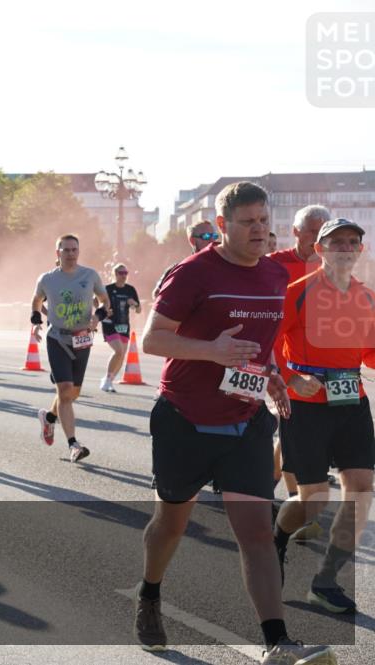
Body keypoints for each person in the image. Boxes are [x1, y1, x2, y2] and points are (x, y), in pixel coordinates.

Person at [134, 181, 333, 664]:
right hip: (185, 419)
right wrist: (211, 351)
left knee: (257, 533)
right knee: (170, 522)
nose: (259, 230)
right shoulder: (192, 274)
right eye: (248, 222)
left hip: (245, 423)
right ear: (222, 226)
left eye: (264, 220)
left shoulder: (271, 276)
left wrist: (273, 376)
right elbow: (152, 341)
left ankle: (277, 643)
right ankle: (150, 593)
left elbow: (260, 345)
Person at [272, 218, 375, 614]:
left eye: (352, 242)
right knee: (313, 500)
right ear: (320, 249)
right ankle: (276, 542)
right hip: (306, 408)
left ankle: (326, 580)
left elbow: (368, 352)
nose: (345, 248)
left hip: (352, 402)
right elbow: (270, 346)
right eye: (336, 242)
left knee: (362, 488)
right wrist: (290, 378)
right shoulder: (297, 293)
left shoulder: (366, 298)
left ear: (360, 250)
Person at [267, 205, 332, 517]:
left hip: (317, 365)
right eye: (312, 231)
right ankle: (296, 500)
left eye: (324, 232)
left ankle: (269, 486)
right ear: (295, 232)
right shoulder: (271, 266)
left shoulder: (331, 268)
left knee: (290, 427)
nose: (318, 238)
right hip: (276, 361)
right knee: (291, 426)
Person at [31, 234, 110, 462]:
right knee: (64, 390)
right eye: (66, 250)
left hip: (82, 339)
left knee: (72, 394)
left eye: (74, 249)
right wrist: (36, 323)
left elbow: (105, 301)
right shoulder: (47, 279)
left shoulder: (90, 275)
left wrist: (98, 316)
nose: (71, 254)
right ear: (58, 253)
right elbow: (36, 301)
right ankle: (73, 444)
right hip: (57, 338)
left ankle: (49, 418)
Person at [99, 263, 141, 392]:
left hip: (123, 325)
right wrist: (104, 308)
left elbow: (138, 310)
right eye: (121, 273)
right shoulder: (108, 288)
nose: (123, 276)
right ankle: (106, 379)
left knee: (122, 355)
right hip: (109, 324)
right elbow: (96, 301)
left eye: (125, 273)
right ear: (115, 274)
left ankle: (109, 381)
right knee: (118, 351)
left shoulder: (130, 290)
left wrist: (134, 304)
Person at [152, 220, 219, 299]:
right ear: (192, 240)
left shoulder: (223, 269)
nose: (212, 241)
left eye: (214, 236)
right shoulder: (176, 269)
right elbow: (157, 295)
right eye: (206, 236)